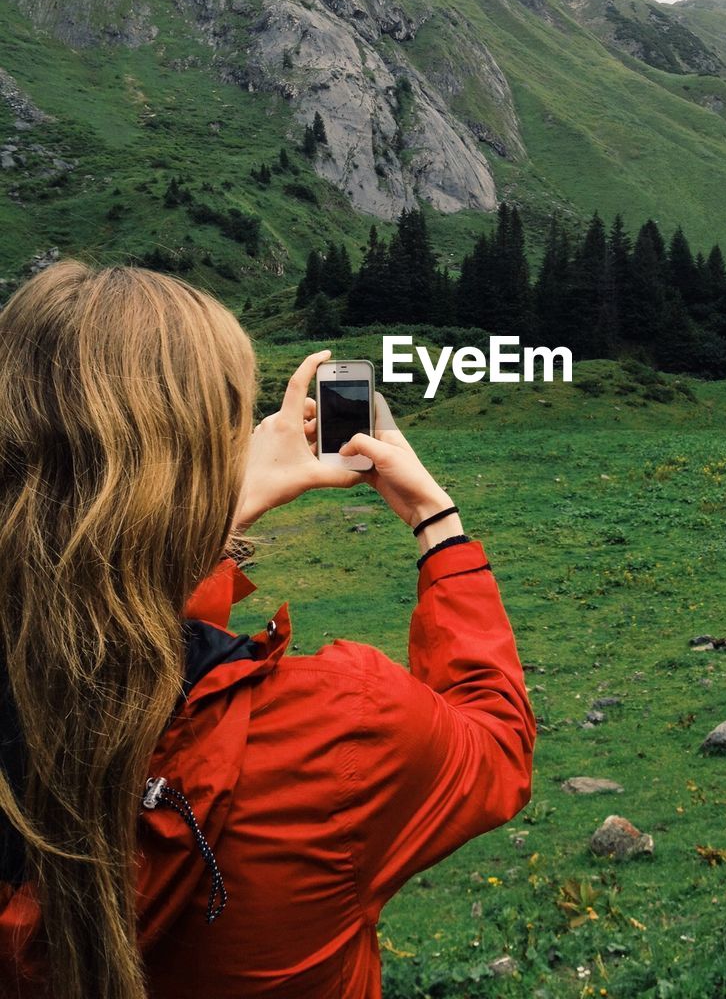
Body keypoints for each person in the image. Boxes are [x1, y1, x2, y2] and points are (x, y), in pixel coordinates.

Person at [0, 260, 535, 998]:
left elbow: (105, 635)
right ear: (206, 462)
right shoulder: (337, 726)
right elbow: (497, 745)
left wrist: (207, 517)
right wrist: (435, 523)